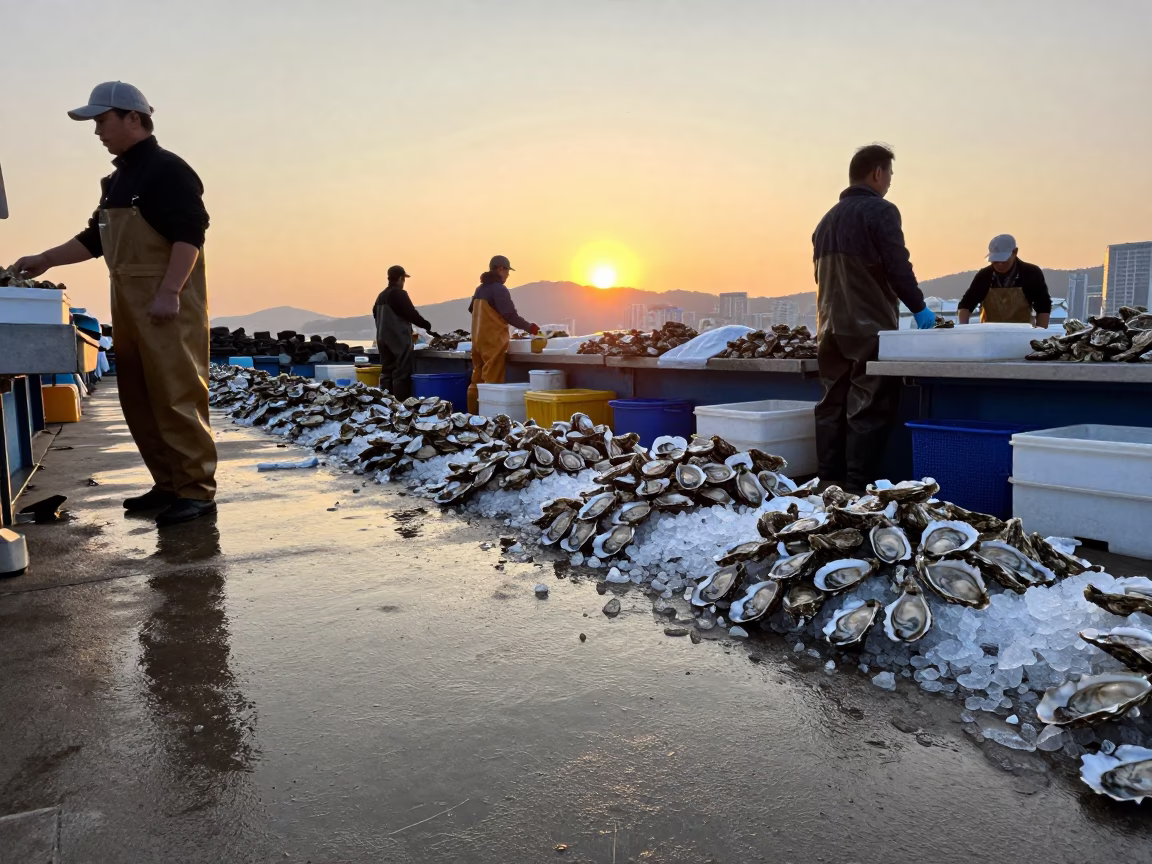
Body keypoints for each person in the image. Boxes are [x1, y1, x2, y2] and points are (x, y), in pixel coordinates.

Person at [13, 82, 216, 526]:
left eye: (102, 121)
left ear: (133, 118)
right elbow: (95, 239)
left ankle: (196, 490)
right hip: (128, 299)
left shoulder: (168, 170)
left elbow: (190, 235)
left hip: (167, 302)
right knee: (139, 397)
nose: (97, 131)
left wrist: (169, 293)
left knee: (176, 394)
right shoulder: (118, 179)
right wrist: (45, 260)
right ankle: (168, 483)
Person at [811, 144, 934, 493]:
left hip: (829, 328)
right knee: (868, 403)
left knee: (831, 402)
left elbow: (820, 277)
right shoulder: (880, 211)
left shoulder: (826, 221)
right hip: (868, 326)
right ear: (877, 173)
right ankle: (856, 486)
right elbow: (898, 266)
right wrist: (919, 307)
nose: (890, 182)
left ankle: (828, 481)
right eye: (890, 175)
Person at [466, 255, 538, 414]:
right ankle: (489, 422)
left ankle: (471, 419)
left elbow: (471, 309)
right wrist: (530, 327)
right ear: (500, 269)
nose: (508, 275)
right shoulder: (499, 289)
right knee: (492, 384)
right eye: (507, 271)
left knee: (476, 382)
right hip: (493, 343)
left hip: (477, 342)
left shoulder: (480, 288)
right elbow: (509, 315)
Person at [957, 235, 1051, 327]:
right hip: (989, 335)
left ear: (1015, 252)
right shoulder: (984, 276)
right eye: (995, 261)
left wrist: (1041, 336)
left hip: (1022, 335)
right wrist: (963, 330)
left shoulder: (1031, 273)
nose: (1000, 265)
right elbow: (965, 306)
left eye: (1004, 260)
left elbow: (1043, 308)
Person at [372, 265, 435, 401]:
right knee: (401, 373)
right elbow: (411, 313)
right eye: (403, 279)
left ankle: (386, 404)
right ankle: (402, 406)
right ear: (401, 278)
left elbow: (375, 314)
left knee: (387, 372)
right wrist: (426, 325)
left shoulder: (381, 296)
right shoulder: (398, 294)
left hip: (382, 339)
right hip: (398, 339)